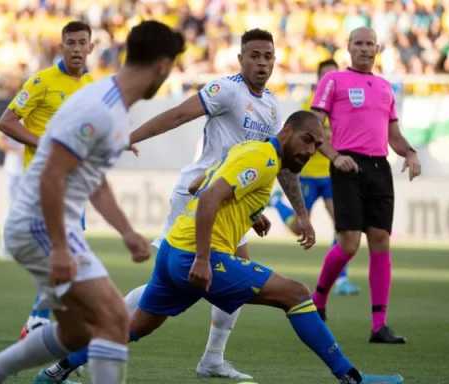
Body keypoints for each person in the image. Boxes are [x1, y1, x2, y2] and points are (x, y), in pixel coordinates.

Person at [38, 28, 315, 382]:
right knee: (173, 285)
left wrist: (269, 211)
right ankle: (103, 336)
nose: (262, 63)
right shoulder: (226, 89)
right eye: (254, 56)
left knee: (215, 280)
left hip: (230, 202)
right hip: (199, 197)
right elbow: (179, 115)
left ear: (275, 61)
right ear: (241, 58)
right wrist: (130, 136)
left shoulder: (272, 106)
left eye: (267, 57)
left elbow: (265, 163)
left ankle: (211, 358)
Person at [0, 20, 185, 384]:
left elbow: (92, 181)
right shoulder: (98, 107)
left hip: (50, 224)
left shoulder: (109, 102)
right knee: (113, 319)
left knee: (78, 332)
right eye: (171, 66)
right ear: (162, 66)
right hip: (39, 224)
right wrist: (61, 248)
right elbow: (51, 174)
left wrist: (126, 231)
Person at [130, 111, 403, 384]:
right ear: (286, 131)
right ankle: (352, 377)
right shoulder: (265, 158)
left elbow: (196, 185)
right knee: (296, 294)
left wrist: (249, 212)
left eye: (317, 146)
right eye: (307, 140)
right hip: (197, 255)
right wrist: (202, 258)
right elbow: (208, 198)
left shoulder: (249, 149)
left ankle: (84, 357)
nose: (310, 151)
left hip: (172, 250)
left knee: (136, 327)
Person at [310, 27, 421, 342]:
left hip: (379, 168)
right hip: (347, 165)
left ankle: (378, 326)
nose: (364, 49)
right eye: (358, 43)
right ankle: (318, 300)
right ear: (348, 48)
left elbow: (394, 136)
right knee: (348, 245)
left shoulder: (385, 87)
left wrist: (411, 154)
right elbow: (314, 126)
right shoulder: (333, 81)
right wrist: (333, 156)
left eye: (369, 44)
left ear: (377, 48)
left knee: (381, 241)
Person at [0, 21, 95, 341]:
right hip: (44, 182)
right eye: (71, 43)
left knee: (72, 256)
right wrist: (43, 143)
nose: (77, 48)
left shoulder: (93, 86)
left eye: (83, 42)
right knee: (65, 252)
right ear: (61, 46)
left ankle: (42, 323)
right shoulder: (41, 81)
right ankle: (40, 322)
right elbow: (7, 122)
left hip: (74, 184)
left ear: (91, 47)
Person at [270, 58, 361, 298]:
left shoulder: (344, 108)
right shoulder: (307, 108)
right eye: (326, 77)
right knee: (300, 229)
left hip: (332, 176)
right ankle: (277, 203)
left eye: (334, 76)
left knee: (343, 227)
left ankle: (341, 278)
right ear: (319, 80)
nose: (330, 81)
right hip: (308, 176)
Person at [0, 134, 24, 260]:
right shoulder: (12, 116)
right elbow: (1, 142)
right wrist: (18, 151)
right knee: (13, 210)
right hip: (14, 170)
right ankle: (5, 247)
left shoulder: (36, 117)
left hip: (30, 169)